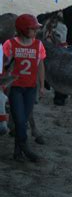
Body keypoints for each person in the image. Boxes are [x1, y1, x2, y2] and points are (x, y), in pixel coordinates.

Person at [3, 14, 46, 162]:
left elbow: (40, 65)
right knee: (20, 120)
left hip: (30, 88)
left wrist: (41, 85)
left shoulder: (39, 45)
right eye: (33, 28)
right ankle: (25, 147)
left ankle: (17, 152)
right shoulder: (10, 44)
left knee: (23, 120)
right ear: (23, 30)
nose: (36, 31)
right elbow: (3, 65)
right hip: (15, 87)